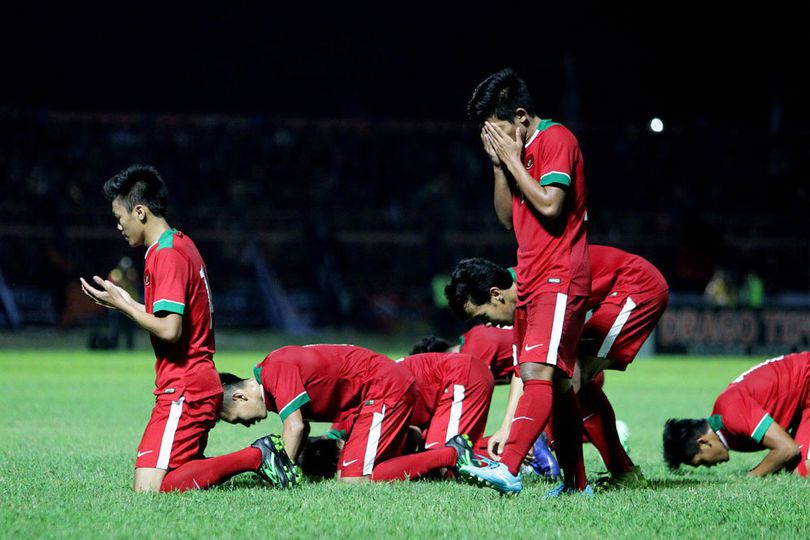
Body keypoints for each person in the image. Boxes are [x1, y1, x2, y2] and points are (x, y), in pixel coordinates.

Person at [80, 165, 272, 493]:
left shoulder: (165, 255)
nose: (118, 226)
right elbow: (173, 319)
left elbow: (170, 331)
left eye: (119, 216)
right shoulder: (180, 244)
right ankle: (239, 460)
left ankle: (256, 456)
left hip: (185, 388)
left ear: (139, 212)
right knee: (175, 477)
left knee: (149, 489)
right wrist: (124, 304)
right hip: (196, 383)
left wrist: (126, 306)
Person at [459, 68, 591, 495]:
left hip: (560, 274)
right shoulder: (516, 151)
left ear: (520, 116)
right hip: (531, 277)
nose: (494, 141)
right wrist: (500, 166)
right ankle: (576, 483)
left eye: (497, 133)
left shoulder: (556, 140)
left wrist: (514, 160)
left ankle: (509, 466)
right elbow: (506, 219)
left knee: (536, 371)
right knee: (560, 386)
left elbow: (552, 206)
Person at [446, 244, 669, 488]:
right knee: (570, 381)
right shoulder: (521, 299)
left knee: (572, 378)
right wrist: (506, 427)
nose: (487, 326)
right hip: (615, 292)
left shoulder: (537, 289)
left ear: (496, 294)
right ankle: (616, 474)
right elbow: (523, 370)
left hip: (637, 286)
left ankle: (608, 475)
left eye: (483, 316)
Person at [218, 344, 476, 482]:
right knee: (359, 469)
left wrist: (280, 473)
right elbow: (303, 428)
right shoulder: (273, 373)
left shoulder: (275, 368)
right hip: (376, 392)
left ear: (240, 396)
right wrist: (291, 464)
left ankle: (450, 454)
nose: (246, 424)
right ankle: (410, 441)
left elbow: (295, 427)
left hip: (383, 389)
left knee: (354, 481)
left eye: (238, 419)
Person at [663, 352, 810, 477]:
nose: (708, 466)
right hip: (805, 403)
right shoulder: (726, 428)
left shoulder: (730, 413)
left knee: (800, 467)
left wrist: (751, 477)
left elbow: (788, 449)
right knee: (798, 470)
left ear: (703, 442)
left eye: (701, 462)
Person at [401, 351, 495, 448]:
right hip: (459, 375)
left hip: (460, 376)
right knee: (436, 452)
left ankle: (507, 449)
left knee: (441, 453)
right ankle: (501, 445)